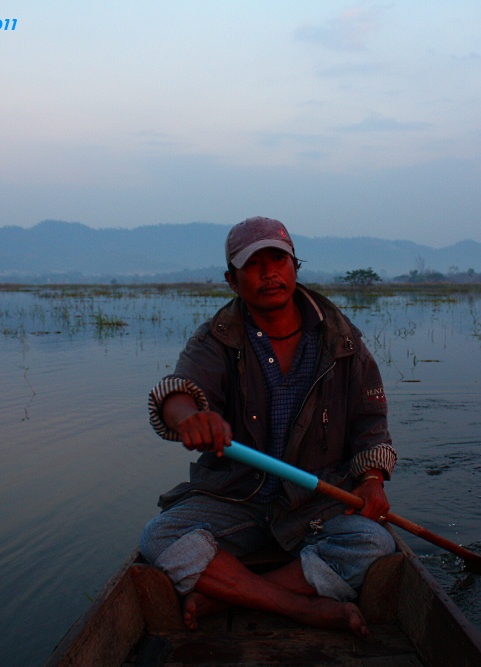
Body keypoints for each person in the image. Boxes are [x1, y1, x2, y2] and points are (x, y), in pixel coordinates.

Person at [140, 216, 398, 638]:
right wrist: (190, 418)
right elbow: (177, 392)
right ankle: (301, 607)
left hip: (317, 500)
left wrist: (371, 478)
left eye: (278, 259)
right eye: (253, 264)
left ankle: (227, 593)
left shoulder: (342, 340)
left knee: (373, 543)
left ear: (295, 266)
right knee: (160, 536)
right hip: (237, 497)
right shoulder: (216, 339)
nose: (269, 273)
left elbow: (371, 423)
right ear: (231, 279)